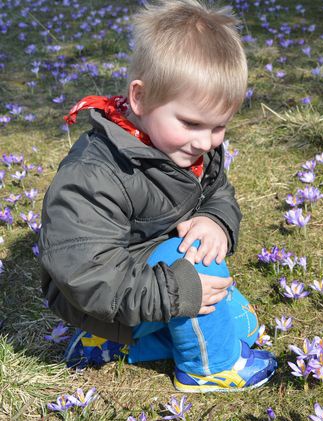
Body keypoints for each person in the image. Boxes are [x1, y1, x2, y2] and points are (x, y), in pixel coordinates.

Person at [38, 0, 276, 393]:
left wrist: (214, 220)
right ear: (140, 98)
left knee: (244, 325)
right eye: (192, 123)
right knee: (201, 273)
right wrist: (176, 291)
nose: (205, 141)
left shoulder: (191, 149)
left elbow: (219, 193)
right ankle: (209, 368)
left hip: (150, 279)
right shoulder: (94, 174)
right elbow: (87, 276)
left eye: (219, 126)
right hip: (96, 297)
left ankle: (117, 344)